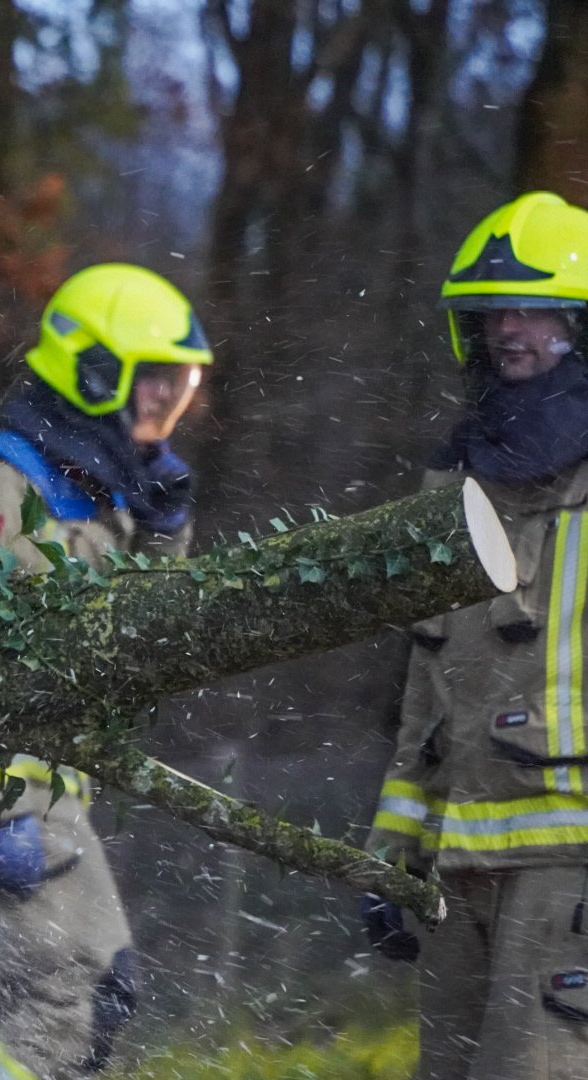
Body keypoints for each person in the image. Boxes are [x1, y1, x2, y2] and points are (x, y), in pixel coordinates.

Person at [0, 263, 213, 1077]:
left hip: (45, 789)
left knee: (15, 1010)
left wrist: (164, 533)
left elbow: (142, 643)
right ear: (93, 373)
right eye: (152, 378)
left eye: (177, 383)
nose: (165, 399)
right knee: (83, 994)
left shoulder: (103, 494)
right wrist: (0, 802)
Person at [364, 190, 588, 1080]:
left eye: (533, 310)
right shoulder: (453, 481)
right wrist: (392, 850)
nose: (508, 330)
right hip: (459, 859)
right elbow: (428, 685)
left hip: (571, 861)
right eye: (494, 311)